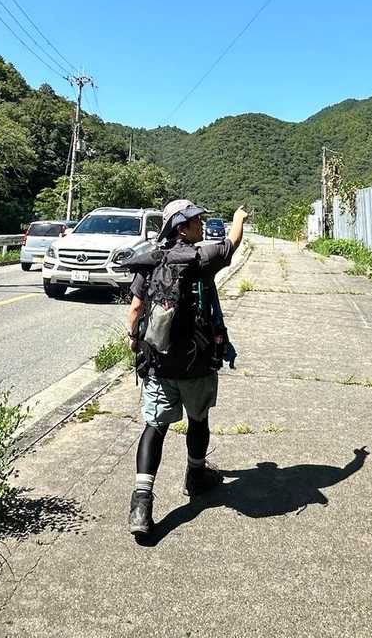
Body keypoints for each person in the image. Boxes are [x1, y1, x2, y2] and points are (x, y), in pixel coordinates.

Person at [125, 198, 248, 539]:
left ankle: (141, 505)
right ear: (181, 227)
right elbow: (233, 242)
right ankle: (195, 476)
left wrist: (134, 341)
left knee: (155, 427)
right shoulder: (201, 258)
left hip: (159, 363)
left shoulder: (151, 259)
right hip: (197, 363)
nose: (201, 225)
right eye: (196, 221)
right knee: (198, 419)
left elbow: (134, 310)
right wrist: (238, 216)